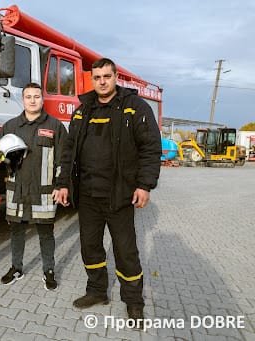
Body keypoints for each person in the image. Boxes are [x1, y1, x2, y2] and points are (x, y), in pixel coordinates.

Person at [55, 58, 161, 320]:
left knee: (125, 251)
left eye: (107, 76)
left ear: (116, 78)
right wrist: (63, 183)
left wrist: (144, 185)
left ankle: (134, 301)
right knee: (90, 246)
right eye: (97, 77)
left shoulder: (134, 108)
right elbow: (68, 150)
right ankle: (97, 290)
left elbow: (150, 148)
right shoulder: (83, 110)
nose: (102, 81)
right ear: (92, 79)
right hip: (88, 196)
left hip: (120, 195)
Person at [0, 82, 67, 291]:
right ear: (23, 100)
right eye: (28, 97)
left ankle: (49, 270)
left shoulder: (54, 126)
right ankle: (16, 268)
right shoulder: (11, 126)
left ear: (42, 99)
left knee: (46, 232)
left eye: (36, 96)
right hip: (17, 190)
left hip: (44, 193)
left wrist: (61, 185)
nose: (33, 100)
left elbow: (64, 160)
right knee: (16, 231)